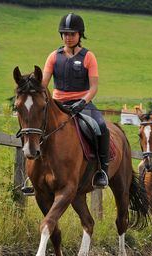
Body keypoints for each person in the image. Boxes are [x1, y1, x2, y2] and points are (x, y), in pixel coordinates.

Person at [42, 12, 109, 188]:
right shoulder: (53, 57)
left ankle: (102, 170)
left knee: (101, 126)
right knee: (37, 128)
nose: (68, 37)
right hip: (58, 104)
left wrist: (82, 102)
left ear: (79, 35)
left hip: (82, 103)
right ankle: (36, 172)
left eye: (72, 34)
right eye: (65, 34)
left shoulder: (88, 57)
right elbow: (43, 85)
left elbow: (94, 87)